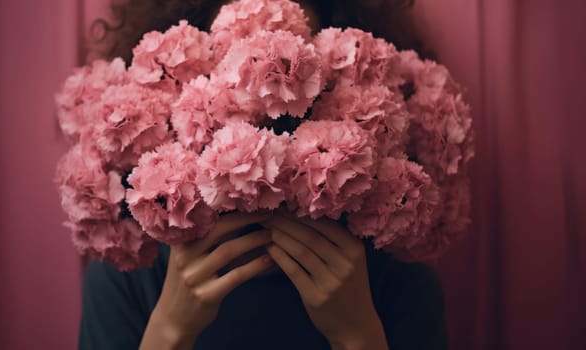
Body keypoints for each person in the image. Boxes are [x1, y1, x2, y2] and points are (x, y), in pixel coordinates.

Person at [78, 1, 448, 349]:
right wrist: (170, 329)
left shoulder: (392, 274)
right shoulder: (132, 272)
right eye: (233, 90)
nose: (265, 133)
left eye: (296, 92)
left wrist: (358, 335)